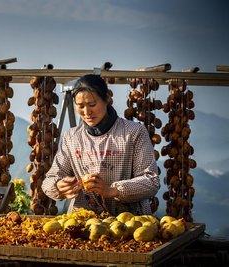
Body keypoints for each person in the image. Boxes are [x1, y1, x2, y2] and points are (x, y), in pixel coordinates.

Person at [42, 74, 160, 216]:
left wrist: (112, 190)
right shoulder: (72, 137)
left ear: (107, 99)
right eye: (80, 106)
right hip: (83, 223)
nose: (86, 112)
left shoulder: (133, 132)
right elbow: (48, 180)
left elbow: (151, 180)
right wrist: (59, 186)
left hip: (129, 223)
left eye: (92, 105)